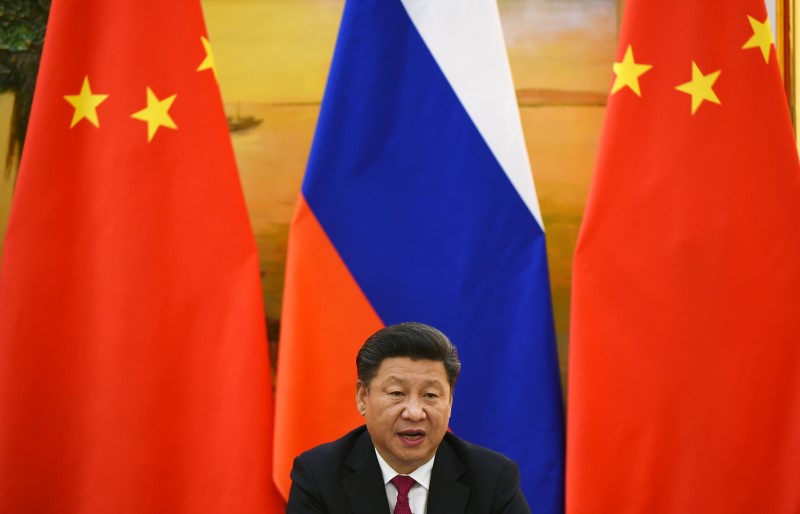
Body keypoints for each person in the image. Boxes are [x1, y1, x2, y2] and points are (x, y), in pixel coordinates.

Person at [286, 322, 531, 513]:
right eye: (397, 393)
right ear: (363, 397)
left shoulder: (492, 478)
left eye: (430, 395)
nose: (414, 412)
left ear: (450, 402)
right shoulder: (319, 475)